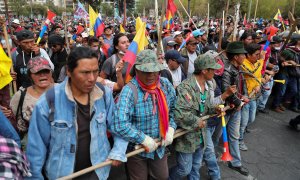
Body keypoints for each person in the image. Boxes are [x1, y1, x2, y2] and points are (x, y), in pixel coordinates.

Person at [25, 47, 127, 179]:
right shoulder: (48, 102)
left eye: (95, 71)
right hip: (62, 175)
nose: (91, 78)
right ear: (69, 71)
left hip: (99, 171)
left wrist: (118, 150)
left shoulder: (104, 94)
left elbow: (118, 127)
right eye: (84, 72)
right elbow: (35, 150)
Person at [169, 53, 236, 180]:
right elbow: (180, 114)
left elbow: (207, 105)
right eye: (213, 69)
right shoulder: (186, 87)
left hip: (202, 135)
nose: (215, 72)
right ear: (204, 71)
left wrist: (214, 108)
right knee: (184, 169)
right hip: (187, 137)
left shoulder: (208, 85)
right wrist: (196, 121)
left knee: (196, 165)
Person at [111, 49, 177, 180]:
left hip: (160, 146)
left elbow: (175, 110)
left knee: (162, 176)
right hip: (136, 150)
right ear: (136, 70)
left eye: (154, 71)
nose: (150, 75)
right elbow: (119, 124)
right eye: (145, 72)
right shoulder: (129, 91)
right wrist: (142, 139)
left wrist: (171, 128)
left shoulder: (165, 85)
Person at [217, 41, 250, 176]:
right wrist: (238, 103)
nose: (245, 57)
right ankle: (209, 160)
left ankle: (235, 162)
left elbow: (243, 86)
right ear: (236, 56)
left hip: (235, 109)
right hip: (225, 110)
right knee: (215, 137)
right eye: (243, 54)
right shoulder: (227, 71)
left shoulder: (239, 69)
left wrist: (245, 96)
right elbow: (227, 91)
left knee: (234, 137)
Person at [10, 57, 54, 149]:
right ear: (30, 76)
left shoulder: (63, 91)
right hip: (33, 146)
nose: (42, 75)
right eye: (37, 72)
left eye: (46, 71)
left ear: (51, 73)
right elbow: (11, 119)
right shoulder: (20, 96)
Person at [239, 43, 266, 151]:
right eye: (256, 54)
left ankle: (241, 130)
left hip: (254, 96)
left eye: (259, 54)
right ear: (248, 55)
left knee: (251, 118)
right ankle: (239, 140)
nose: (258, 56)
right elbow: (252, 73)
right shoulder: (243, 63)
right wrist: (261, 60)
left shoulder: (257, 62)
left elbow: (258, 76)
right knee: (244, 121)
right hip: (245, 96)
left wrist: (258, 84)